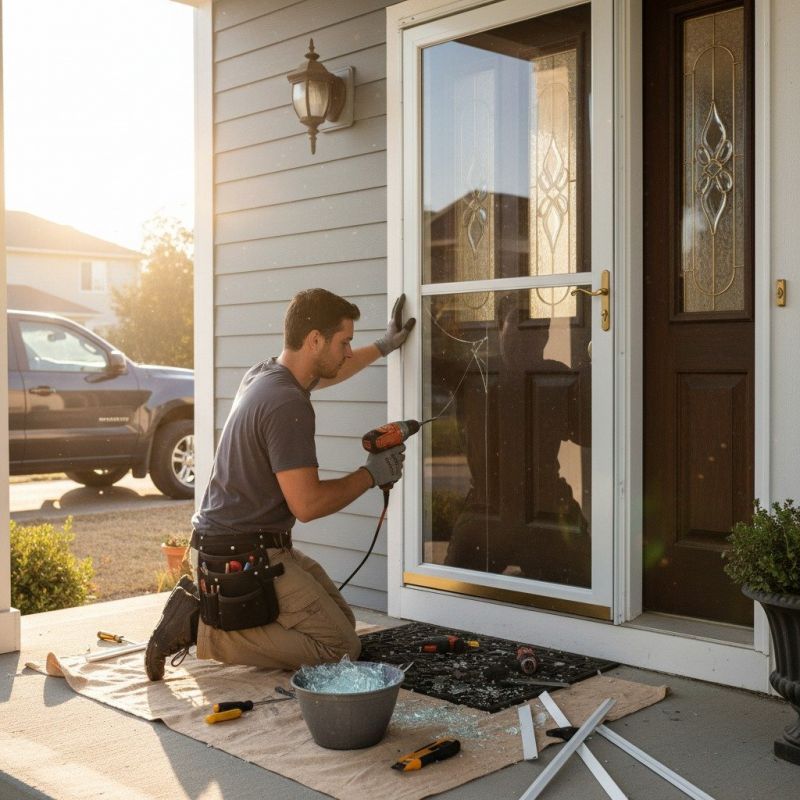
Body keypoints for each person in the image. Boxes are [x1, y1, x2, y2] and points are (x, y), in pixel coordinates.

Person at [145, 288, 415, 680]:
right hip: (240, 555)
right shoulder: (289, 404)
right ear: (315, 340)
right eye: (345, 342)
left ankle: (227, 620)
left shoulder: (267, 374)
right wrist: (372, 474)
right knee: (341, 647)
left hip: (225, 543)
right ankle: (199, 628)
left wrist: (385, 346)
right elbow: (307, 505)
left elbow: (338, 369)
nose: (348, 352)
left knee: (341, 619)